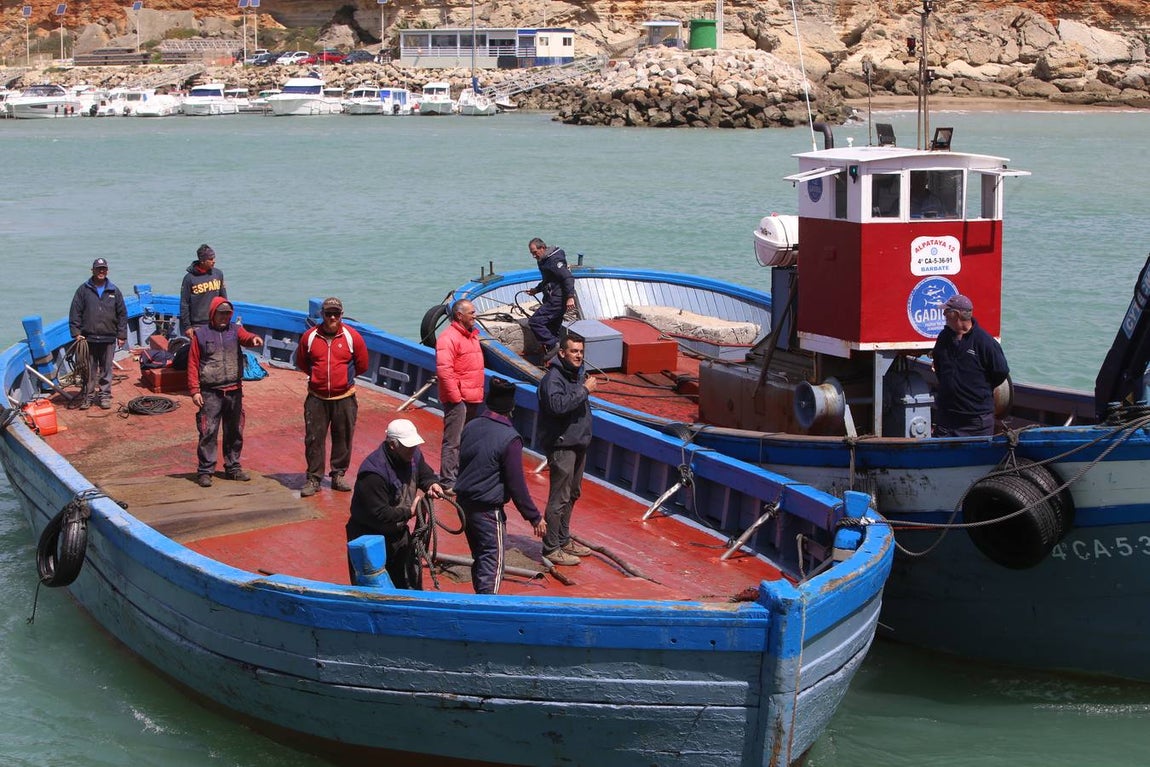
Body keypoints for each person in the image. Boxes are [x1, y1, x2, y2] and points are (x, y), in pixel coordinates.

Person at [454, 378, 546, 594]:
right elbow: (517, 485)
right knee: (493, 563)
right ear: (511, 408)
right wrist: (534, 517)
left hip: (464, 505)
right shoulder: (510, 438)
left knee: (481, 558)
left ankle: (479, 601)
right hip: (487, 511)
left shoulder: (471, 426)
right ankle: (486, 608)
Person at [346, 419, 445, 589]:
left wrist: (432, 484)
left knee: (406, 583)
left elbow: (425, 474)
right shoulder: (373, 473)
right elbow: (380, 513)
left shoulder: (413, 455)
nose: (412, 450)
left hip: (396, 533)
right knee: (371, 590)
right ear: (392, 445)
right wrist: (410, 512)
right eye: (408, 447)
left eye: (414, 445)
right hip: (369, 537)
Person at [295, 297, 369, 497]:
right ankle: (314, 478)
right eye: (328, 313)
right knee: (313, 439)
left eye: (336, 313)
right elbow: (302, 362)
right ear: (322, 315)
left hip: (344, 397)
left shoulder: (352, 337)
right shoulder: (309, 337)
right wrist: (319, 379)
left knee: (343, 438)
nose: (332, 317)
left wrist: (343, 380)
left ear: (342, 315)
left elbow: (362, 364)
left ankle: (338, 475)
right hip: (316, 398)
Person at [187, 297, 264, 487]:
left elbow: (246, 337)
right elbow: (193, 363)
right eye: (221, 313)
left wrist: (253, 339)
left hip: (234, 391)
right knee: (208, 431)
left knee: (235, 431)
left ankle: (233, 467)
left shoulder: (235, 331)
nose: (224, 317)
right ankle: (205, 471)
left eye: (227, 314)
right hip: (210, 392)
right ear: (213, 314)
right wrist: (194, 391)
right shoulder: (201, 335)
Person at [536, 334, 597, 566]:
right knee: (559, 498)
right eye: (574, 351)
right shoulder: (553, 379)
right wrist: (585, 390)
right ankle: (551, 548)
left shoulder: (574, 375)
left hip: (578, 443)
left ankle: (563, 539)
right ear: (562, 353)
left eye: (581, 351)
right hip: (562, 446)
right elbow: (557, 406)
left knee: (572, 494)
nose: (579, 355)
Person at [932, 294, 1010, 437]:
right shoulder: (944, 338)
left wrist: (978, 390)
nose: (943, 315)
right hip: (947, 418)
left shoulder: (985, 342)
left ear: (955, 315)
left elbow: (1000, 372)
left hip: (976, 421)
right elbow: (939, 366)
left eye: (946, 312)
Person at [434, 299, 484, 491]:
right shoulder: (448, 338)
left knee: (467, 440)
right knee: (453, 441)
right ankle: (448, 481)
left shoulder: (472, 336)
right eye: (471, 312)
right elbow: (444, 370)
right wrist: (456, 398)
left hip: (473, 396)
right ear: (459, 315)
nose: (475, 315)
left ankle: (462, 477)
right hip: (459, 399)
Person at [68, 257, 127, 411]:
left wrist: (122, 335)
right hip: (89, 339)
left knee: (106, 370)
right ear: (92, 270)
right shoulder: (83, 290)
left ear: (107, 271)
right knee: (89, 370)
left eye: (103, 269)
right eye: (98, 269)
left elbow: (122, 314)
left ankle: (104, 396)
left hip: (108, 338)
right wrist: (76, 333)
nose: (101, 271)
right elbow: (75, 312)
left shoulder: (114, 290)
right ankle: (87, 396)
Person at [526, 237, 577, 358]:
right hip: (552, 298)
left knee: (535, 322)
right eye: (531, 253)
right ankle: (557, 356)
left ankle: (554, 345)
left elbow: (567, 277)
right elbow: (548, 280)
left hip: (557, 300)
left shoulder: (554, 260)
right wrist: (537, 290)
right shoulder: (544, 259)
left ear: (542, 248)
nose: (534, 256)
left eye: (534, 252)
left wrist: (570, 297)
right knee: (552, 328)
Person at [180, 244, 227, 335]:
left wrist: (225, 319)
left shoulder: (218, 274)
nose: (214, 261)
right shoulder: (189, 278)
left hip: (216, 321)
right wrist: (187, 326)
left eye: (214, 258)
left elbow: (223, 298)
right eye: (210, 259)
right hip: (198, 324)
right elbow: (184, 303)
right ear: (202, 261)